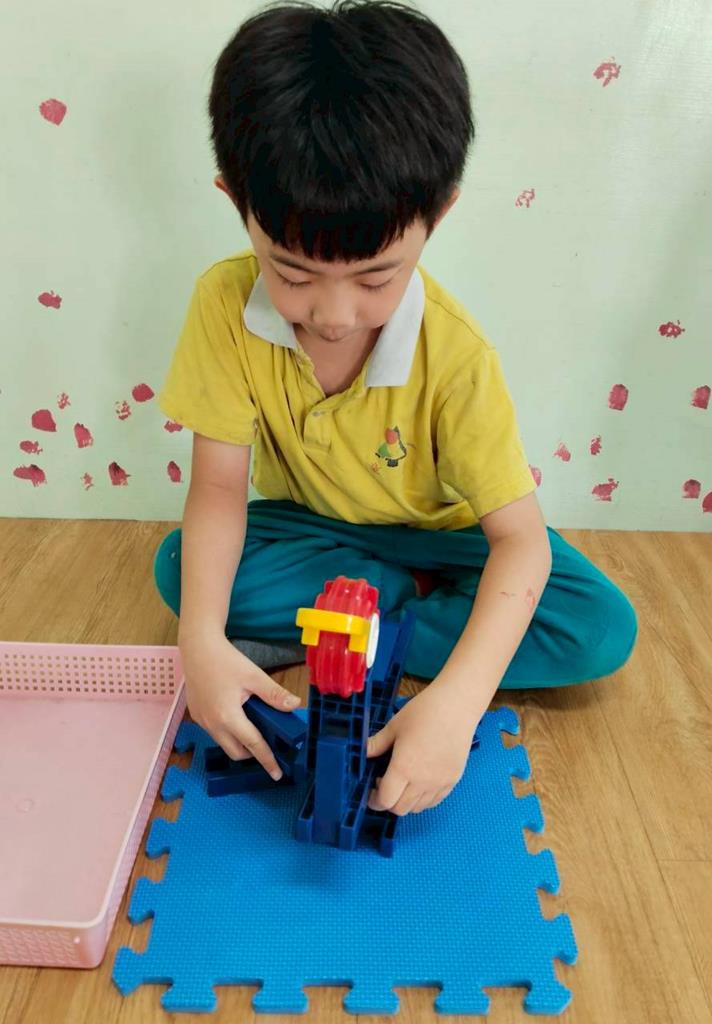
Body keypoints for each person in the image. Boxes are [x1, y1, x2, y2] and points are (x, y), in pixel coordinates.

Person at [154, 0, 637, 818]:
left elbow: (520, 543)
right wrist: (198, 641)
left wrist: (458, 702)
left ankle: (368, 616)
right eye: (293, 273)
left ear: (437, 214)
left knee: (596, 628)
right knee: (180, 572)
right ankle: (391, 608)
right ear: (236, 202)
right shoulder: (221, 305)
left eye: (376, 277)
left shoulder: (456, 355)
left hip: (447, 540)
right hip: (317, 529)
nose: (334, 315)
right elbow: (219, 490)